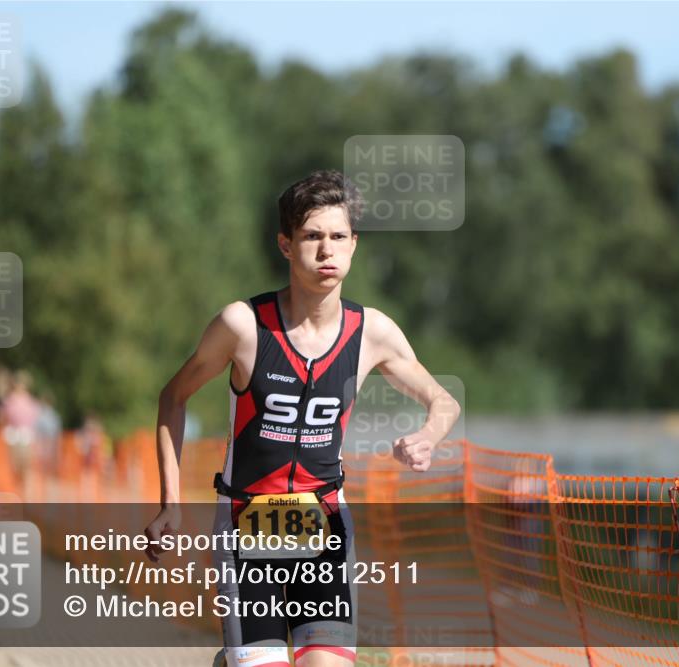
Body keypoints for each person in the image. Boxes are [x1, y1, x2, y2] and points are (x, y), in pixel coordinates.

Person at [145, 170, 461, 667]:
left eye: (338, 236)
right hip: (246, 526)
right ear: (286, 245)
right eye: (312, 236)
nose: (326, 250)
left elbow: (443, 401)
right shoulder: (243, 326)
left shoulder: (371, 332)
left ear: (354, 245)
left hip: (325, 525)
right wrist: (170, 503)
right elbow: (173, 397)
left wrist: (428, 436)